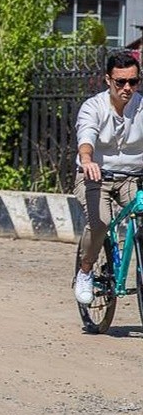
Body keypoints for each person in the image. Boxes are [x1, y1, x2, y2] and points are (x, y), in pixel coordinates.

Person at [73, 51, 143, 305]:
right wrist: (88, 160)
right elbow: (86, 137)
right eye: (120, 82)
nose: (127, 88)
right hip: (95, 176)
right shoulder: (93, 107)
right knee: (100, 223)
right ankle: (86, 270)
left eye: (133, 82)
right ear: (107, 80)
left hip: (132, 178)